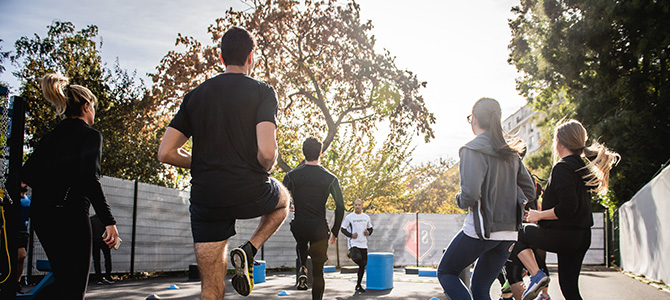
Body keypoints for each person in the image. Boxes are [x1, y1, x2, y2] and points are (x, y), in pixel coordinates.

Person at [158, 26, 290, 299]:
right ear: (251, 57)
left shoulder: (195, 96)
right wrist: (264, 168)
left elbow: (166, 153)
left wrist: (203, 161)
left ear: (221, 58)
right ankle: (250, 249)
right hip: (248, 188)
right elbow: (267, 152)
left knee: (210, 287)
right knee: (284, 200)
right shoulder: (263, 92)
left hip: (207, 199)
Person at [22, 73, 120, 299]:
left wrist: (54, 185)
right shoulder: (90, 135)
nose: (94, 112)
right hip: (72, 216)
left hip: (43, 217)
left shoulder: (51, 136)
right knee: (74, 288)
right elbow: (89, 179)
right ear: (86, 106)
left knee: (64, 281)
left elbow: (27, 173)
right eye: (93, 107)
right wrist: (109, 221)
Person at [436, 97, 536, 300]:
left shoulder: (471, 149)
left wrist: (459, 199)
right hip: (508, 233)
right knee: (480, 289)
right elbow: (530, 191)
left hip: (482, 231)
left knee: (446, 272)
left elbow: (470, 195)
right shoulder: (511, 154)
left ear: (474, 120)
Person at [513, 119, 620, 300]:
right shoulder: (583, 167)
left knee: (516, 233)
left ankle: (536, 275)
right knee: (570, 289)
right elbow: (573, 207)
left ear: (560, 143)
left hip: (564, 235)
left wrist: (539, 215)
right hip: (581, 236)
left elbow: (567, 208)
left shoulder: (562, 167)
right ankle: (536, 274)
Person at [282, 137, 345, 300]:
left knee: (301, 243)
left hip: (300, 225)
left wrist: (289, 204)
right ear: (320, 153)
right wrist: (335, 231)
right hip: (319, 228)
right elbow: (340, 206)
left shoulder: (291, 176)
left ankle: (302, 266)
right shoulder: (331, 178)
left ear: (303, 153)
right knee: (318, 272)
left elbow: (281, 197)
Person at [340, 199, 373, 293]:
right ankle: (351, 254)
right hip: (353, 243)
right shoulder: (349, 217)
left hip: (363, 244)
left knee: (363, 265)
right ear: (354, 206)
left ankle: (358, 285)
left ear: (362, 206)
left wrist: (368, 232)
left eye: (359, 205)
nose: (357, 206)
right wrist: (351, 235)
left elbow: (370, 228)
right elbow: (343, 229)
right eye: (356, 205)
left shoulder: (366, 217)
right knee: (359, 259)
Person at [90, 214, 115, 285]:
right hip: (105, 241)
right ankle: (108, 276)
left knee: (96, 260)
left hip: (95, 241)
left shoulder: (91, 219)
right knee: (107, 258)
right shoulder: (105, 219)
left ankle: (99, 278)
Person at [15, 183, 30, 294]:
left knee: (21, 259)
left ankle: (17, 282)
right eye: (23, 182)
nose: (25, 184)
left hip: (24, 232)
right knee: (20, 255)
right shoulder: (13, 199)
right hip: (13, 232)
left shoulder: (28, 200)